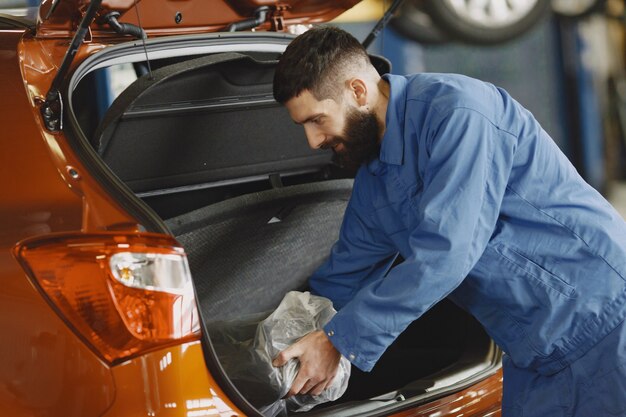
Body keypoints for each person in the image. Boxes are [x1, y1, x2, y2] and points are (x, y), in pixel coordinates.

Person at [271, 26, 626, 416]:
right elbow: (342, 277)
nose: (313, 140)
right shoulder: (375, 179)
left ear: (357, 91)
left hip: (603, 323)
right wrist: (278, 344)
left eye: (317, 120)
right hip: (534, 354)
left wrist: (337, 340)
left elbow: (447, 253)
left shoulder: (458, 113)